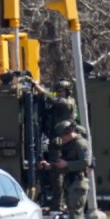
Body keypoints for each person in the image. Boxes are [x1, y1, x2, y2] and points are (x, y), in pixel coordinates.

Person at [40, 120, 92, 219]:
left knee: (76, 214)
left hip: (78, 183)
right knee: (76, 214)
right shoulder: (69, 145)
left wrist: (67, 164)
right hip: (71, 183)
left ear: (69, 133)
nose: (62, 139)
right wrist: (51, 166)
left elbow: (86, 162)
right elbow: (62, 164)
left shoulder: (81, 144)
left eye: (63, 136)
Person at [32, 79, 78, 211]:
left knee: (57, 172)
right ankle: (58, 202)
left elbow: (50, 97)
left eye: (61, 91)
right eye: (57, 91)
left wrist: (36, 86)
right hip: (55, 139)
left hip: (61, 141)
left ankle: (58, 204)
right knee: (55, 172)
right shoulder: (61, 101)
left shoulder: (66, 102)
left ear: (67, 92)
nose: (58, 93)